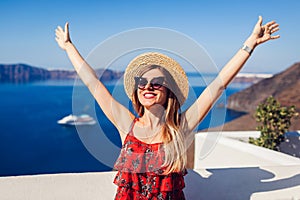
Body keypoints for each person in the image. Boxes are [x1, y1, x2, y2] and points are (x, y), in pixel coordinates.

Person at [55, 16, 280, 199]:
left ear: (168, 91)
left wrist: (249, 44)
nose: (147, 87)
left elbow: (218, 85)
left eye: (156, 82)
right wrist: (68, 47)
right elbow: (93, 83)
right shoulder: (127, 125)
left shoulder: (180, 127)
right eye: (141, 82)